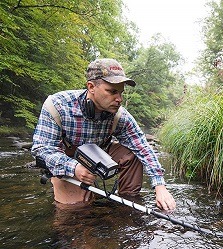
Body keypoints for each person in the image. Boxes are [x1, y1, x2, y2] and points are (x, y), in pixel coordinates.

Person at [31, 58, 176, 211]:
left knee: (132, 153)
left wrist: (160, 186)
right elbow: (41, 149)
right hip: (67, 161)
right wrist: (73, 168)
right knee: (77, 210)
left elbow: (143, 148)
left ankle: (127, 205)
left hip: (100, 154)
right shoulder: (57, 106)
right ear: (91, 87)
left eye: (121, 92)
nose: (119, 99)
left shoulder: (120, 117)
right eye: (112, 92)